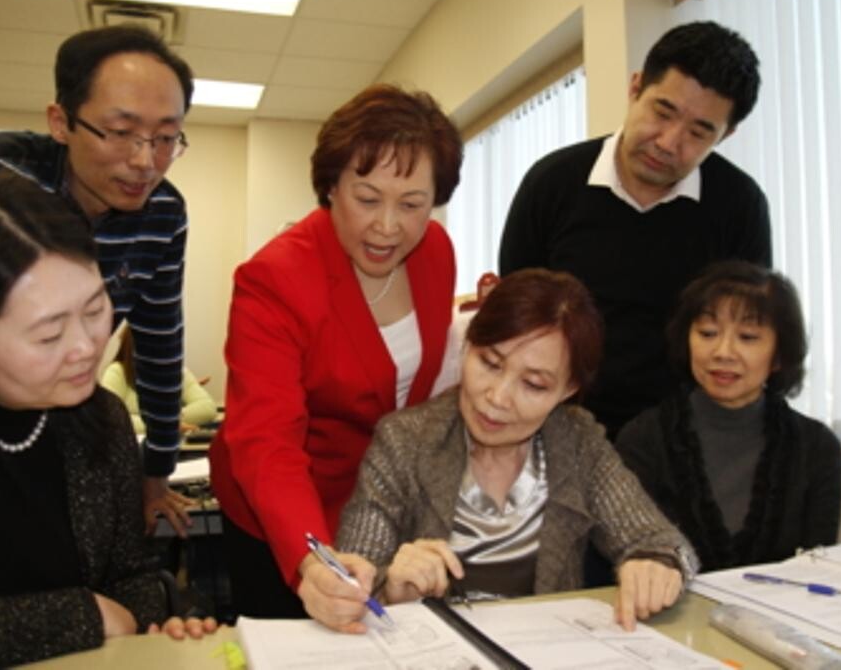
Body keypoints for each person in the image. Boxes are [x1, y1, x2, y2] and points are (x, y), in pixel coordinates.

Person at [0, 173, 216, 669]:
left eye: (94, 309)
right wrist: (85, 616)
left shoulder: (100, 417)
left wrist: (157, 623)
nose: (86, 347)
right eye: (48, 335)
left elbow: (130, 574)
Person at [299, 269, 699, 634]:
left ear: (568, 390)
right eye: (489, 363)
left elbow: (660, 540)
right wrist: (386, 589)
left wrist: (658, 563)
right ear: (467, 345)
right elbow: (353, 572)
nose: (498, 397)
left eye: (535, 385)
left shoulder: (577, 442)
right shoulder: (405, 440)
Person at [208, 84, 462, 619]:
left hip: (375, 503)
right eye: (366, 199)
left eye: (412, 204)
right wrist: (311, 557)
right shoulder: (275, 279)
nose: (388, 227)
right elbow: (266, 441)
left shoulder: (434, 252)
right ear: (329, 187)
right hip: (282, 511)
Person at [0, 25, 195, 535]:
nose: (145, 161)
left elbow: (160, 344)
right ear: (61, 122)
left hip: (61, 409)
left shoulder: (163, 212)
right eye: (121, 132)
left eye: (166, 137)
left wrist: (156, 471)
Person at [499, 21, 771, 439]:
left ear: (726, 134)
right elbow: (515, 322)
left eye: (699, 132)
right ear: (636, 87)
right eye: (662, 112)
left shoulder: (739, 206)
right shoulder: (552, 183)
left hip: (681, 445)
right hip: (556, 431)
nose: (668, 141)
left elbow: (745, 335)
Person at [615, 260, 841, 572]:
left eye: (747, 337)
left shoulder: (817, 448)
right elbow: (630, 553)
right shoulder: (643, 439)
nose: (722, 352)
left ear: (779, 355)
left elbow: (817, 566)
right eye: (708, 333)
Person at [102, 326, 218, 435]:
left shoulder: (177, 371)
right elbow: (111, 418)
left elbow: (207, 407)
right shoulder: (116, 372)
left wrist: (169, 421)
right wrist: (164, 425)